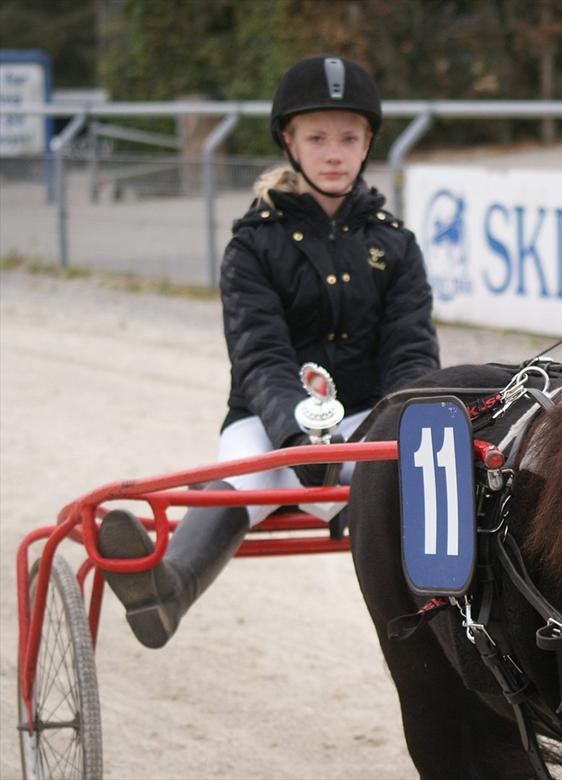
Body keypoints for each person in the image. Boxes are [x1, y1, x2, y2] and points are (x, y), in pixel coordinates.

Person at [98, 55, 441, 649]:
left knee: (416, 469)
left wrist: (399, 428)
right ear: (289, 141)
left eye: (348, 138)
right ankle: (168, 586)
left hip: (366, 421)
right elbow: (260, 357)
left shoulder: (397, 245)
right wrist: (299, 441)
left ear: (367, 145)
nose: (333, 152)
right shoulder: (252, 246)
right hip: (269, 423)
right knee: (249, 476)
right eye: (316, 137)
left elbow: (411, 355)